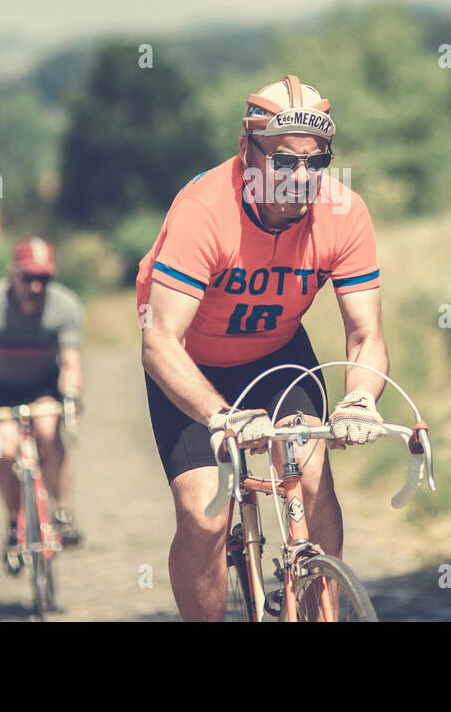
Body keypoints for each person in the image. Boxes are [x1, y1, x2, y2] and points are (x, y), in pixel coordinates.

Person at [137, 76, 389, 621]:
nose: (301, 178)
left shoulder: (344, 212)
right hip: (191, 368)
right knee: (206, 515)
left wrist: (361, 399)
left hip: (276, 356)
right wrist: (220, 416)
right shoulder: (204, 211)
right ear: (246, 152)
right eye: (282, 162)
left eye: (316, 163)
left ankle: (317, 599)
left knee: (313, 480)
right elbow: (158, 341)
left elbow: (365, 334)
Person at [0, 237, 85, 572]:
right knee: (5, 448)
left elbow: (71, 362)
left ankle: (64, 512)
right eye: (28, 277)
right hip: (1, 390)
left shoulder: (65, 306)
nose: (36, 286)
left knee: (48, 429)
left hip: (43, 386)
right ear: (12, 273)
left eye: (44, 278)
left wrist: (69, 397)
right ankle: (15, 522)